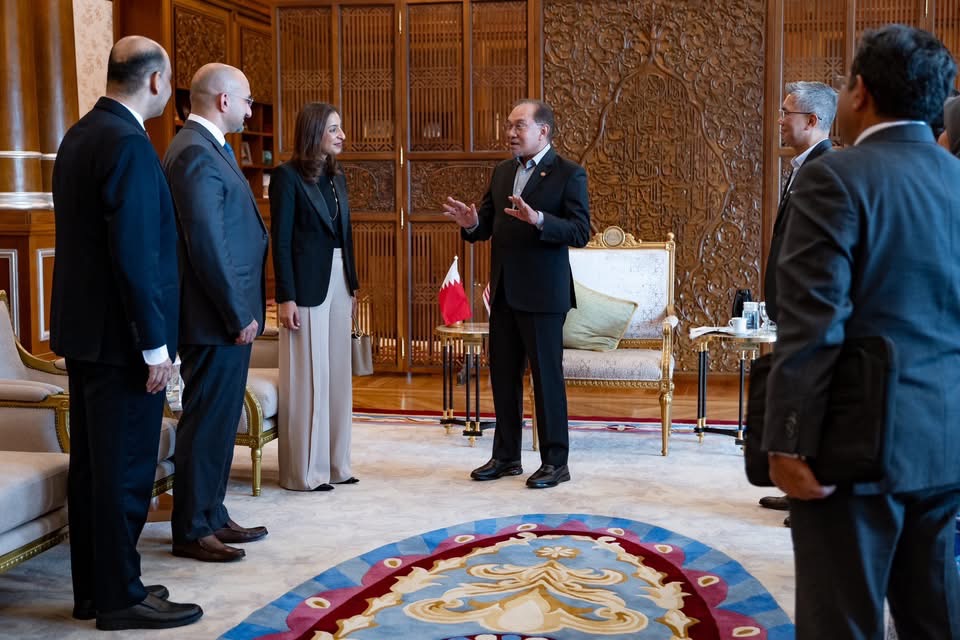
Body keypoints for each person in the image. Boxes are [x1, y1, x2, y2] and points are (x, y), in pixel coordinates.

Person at [764, 24, 960, 639]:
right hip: (946, 441)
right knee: (935, 618)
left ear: (860, 93)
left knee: (841, 622)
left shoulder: (836, 178)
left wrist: (788, 439)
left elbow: (814, 323)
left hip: (853, 445)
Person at [50, 35, 202, 630]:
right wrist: (155, 347)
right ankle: (119, 598)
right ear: (158, 82)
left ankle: (98, 587)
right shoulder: (130, 144)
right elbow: (137, 254)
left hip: (85, 337)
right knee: (126, 472)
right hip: (123, 344)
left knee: (93, 468)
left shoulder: (79, 134)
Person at [443, 99, 590, 489]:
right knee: (503, 377)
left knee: (546, 380)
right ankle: (506, 456)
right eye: (508, 125)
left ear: (543, 131)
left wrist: (539, 219)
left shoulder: (569, 174)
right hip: (505, 292)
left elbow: (580, 232)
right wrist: (472, 223)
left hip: (544, 296)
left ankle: (556, 462)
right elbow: (487, 224)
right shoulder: (502, 171)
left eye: (519, 125)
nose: (510, 132)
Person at [163, 63, 269, 562]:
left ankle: (212, 513)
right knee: (206, 420)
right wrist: (235, 312)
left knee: (221, 420)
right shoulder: (193, 152)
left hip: (226, 316)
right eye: (248, 100)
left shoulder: (211, 149)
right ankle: (191, 527)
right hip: (214, 319)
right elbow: (206, 243)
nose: (251, 110)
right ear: (224, 101)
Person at [270, 102, 360, 491]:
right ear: (314, 134)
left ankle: (337, 464)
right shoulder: (286, 177)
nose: (342, 136)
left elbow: (345, 237)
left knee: (338, 373)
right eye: (334, 129)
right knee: (309, 376)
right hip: (304, 286)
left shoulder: (337, 177)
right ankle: (305, 472)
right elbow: (282, 241)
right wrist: (284, 297)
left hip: (339, 279)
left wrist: (352, 286)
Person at [759, 81, 836, 524]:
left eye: (787, 113)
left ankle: (809, 495)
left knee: (811, 399)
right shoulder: (803, 166)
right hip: (792, 308)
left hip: (811, 311)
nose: (780, 120)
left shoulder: (827, 168)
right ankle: (795, 491)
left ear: (812, 121)